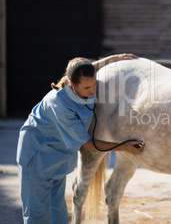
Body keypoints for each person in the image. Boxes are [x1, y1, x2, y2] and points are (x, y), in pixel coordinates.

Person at [16, 53, 144, 224]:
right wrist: (124, 146)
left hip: (58, 160)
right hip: (37, 158)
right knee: (37, 215)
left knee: (58, 208)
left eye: (94, 85)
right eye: (86, 88)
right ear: (72, 85)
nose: (92, 91)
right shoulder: (60, 104)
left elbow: (86, 71)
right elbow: (88, 143)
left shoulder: (80, 85)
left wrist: (112, 59)